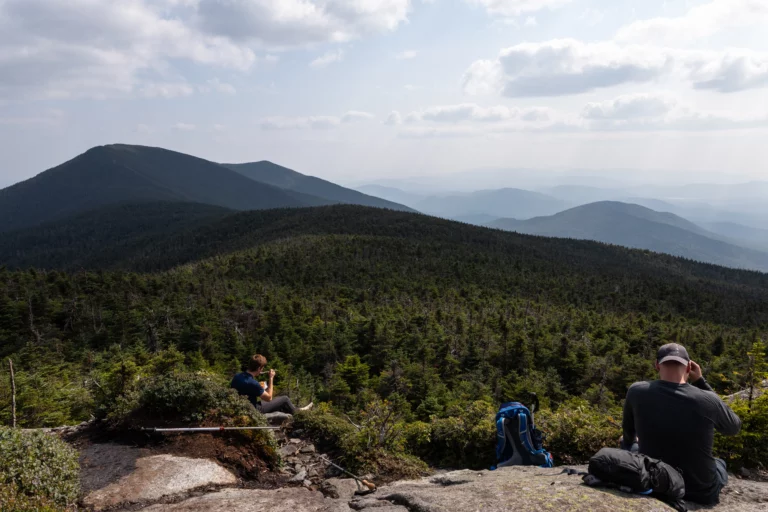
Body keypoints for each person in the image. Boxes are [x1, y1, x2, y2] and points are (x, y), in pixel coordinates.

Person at [621, 343, 741, 505]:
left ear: (657, 365)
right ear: (688, 367)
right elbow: (733, 428)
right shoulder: (707, 399)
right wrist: (700, 381)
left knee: (627, 443)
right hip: (700, 493)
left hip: (656, 484)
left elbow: (628, 436)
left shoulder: (637, 391)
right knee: (720, 463)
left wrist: (632, 441)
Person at [230, 354, 313, 414]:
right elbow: (269, 398)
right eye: (262, 368)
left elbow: (246, 388)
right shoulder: (253, 383)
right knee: (285, 399)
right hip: (253, 409)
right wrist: (271, 378)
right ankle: (299, 412)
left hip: (240, 405)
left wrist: (259, 387)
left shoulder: (237, 376)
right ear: (259, 368)